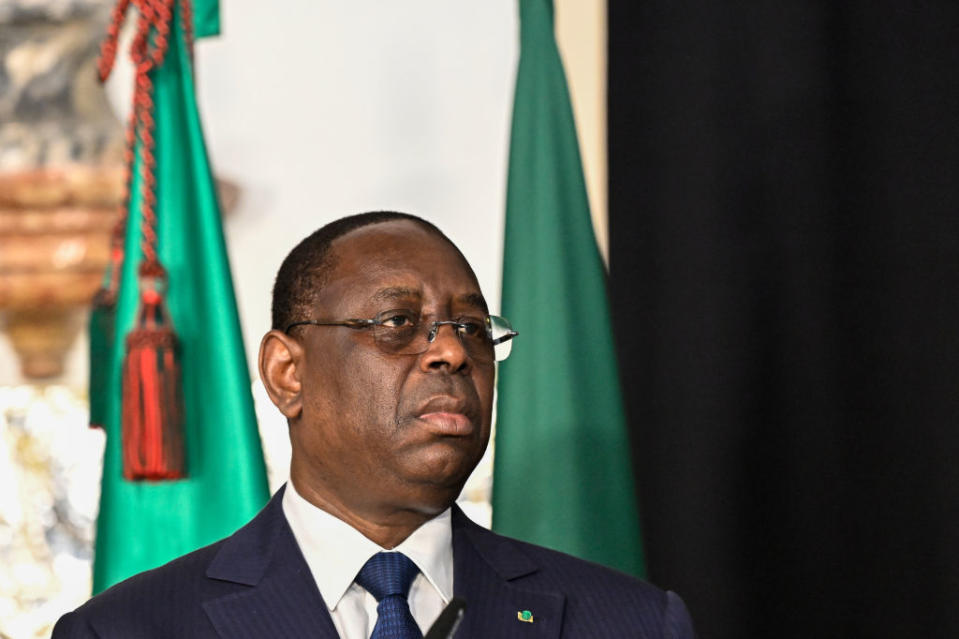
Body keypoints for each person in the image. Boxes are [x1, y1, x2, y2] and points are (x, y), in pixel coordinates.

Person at [53, 211, 696, 638]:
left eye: (472, 327)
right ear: (287, 373)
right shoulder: (128, 630)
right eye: (398, 324)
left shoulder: (631, 623)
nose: (452, 352)